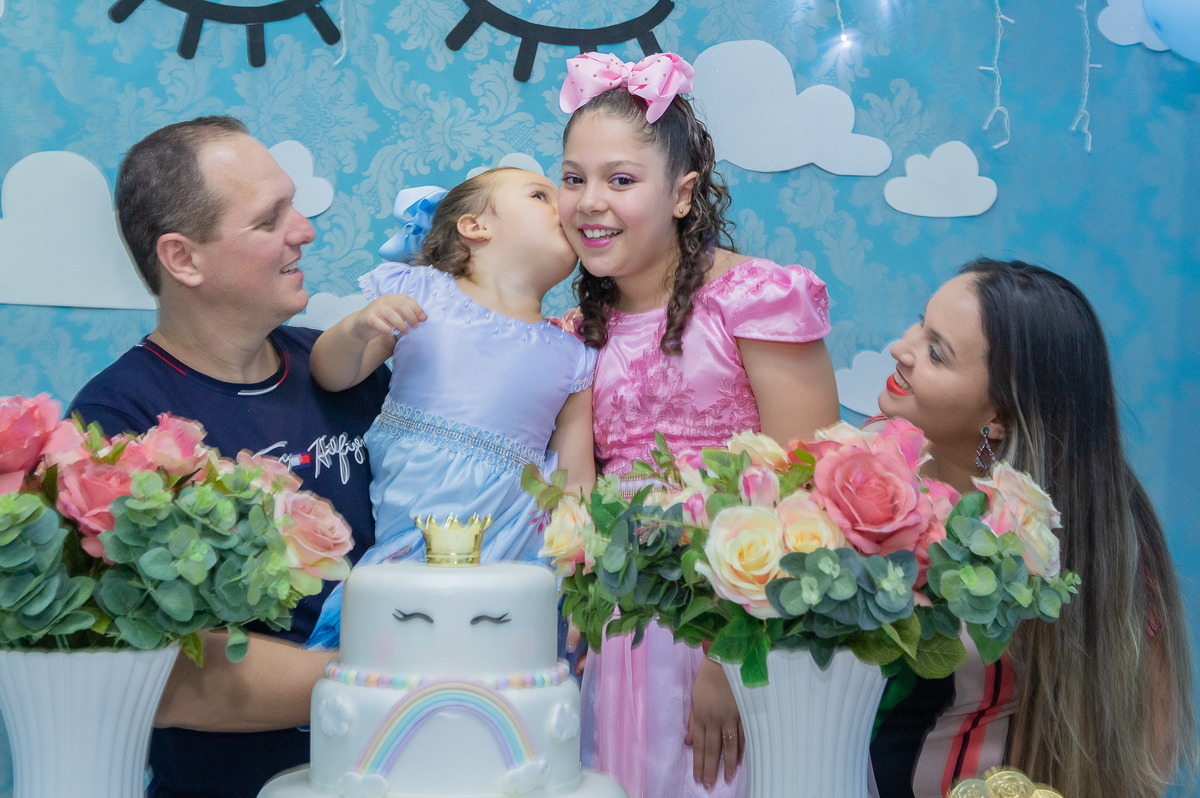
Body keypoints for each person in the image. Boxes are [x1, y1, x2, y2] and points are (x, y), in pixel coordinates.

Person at [67, 116, 390, 798]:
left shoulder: (347, 365)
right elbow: (163, 678)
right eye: (269, 219)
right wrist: (401, 677)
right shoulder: (115, 424)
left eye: (292, 205)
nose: (303, 229)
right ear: (183, 259)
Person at [556, 52, 840, 798]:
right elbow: (574, 497)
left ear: (683, 194)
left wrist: (734, 655)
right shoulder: (576, 331)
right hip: (621, 637)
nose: (590, 201)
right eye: (573, 177)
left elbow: (808, 483)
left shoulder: (756, 299)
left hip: (743, 623)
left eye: (620, 180)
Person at [871, 258, 1198, 797]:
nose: (901, 349)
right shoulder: (872, 463)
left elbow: (1143, 758)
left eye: (936, 351)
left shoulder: (1095, 539)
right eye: (919, 324)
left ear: (997, 416)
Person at [304, 167, 596, 649]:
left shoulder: (573, 355)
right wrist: (358, 328)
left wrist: (583, 574)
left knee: (499, 658)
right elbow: (332, 374)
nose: (563, 204)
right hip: (417, 528)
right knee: (397, 640)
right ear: (475, 226)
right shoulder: (422, 294)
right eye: (541, 194)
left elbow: (578, 480)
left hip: (515, 541)